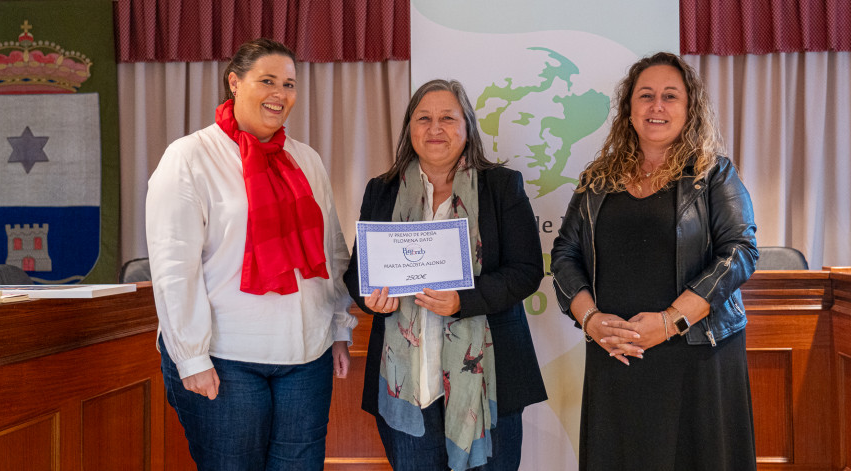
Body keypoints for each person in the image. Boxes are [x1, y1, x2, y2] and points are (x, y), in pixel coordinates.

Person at [146, 38, 357, 470]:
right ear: (234, 82)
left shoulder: (307, 159)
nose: (280, 93)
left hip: (306, 356)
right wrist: (191, 358)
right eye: (267, 80)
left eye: (289, 84)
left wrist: (339, 326)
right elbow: (173, 269)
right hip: (226, 358)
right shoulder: (189, 157)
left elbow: (331, 252)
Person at [550, 52, 759, 470]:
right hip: (618, 354)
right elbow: (564, 255)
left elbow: (740, 252)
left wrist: (670, 321)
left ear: (689, 109)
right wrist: (591, 320)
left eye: (670, 96)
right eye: (645, 96)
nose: (656, 106)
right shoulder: (597, 180)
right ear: (629, 111)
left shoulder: (714, 174)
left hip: (695, 354)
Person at [343, 79, 547, 471]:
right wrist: (369, 297)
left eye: (447, 118)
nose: (435, 129)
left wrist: (463, 300)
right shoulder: (382, 190)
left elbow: (526, 271)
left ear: (467, 127)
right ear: (410, 129)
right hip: (406, 386)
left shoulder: (501, 187)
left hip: (490, 382)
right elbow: (358, 271)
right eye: (424, 118)